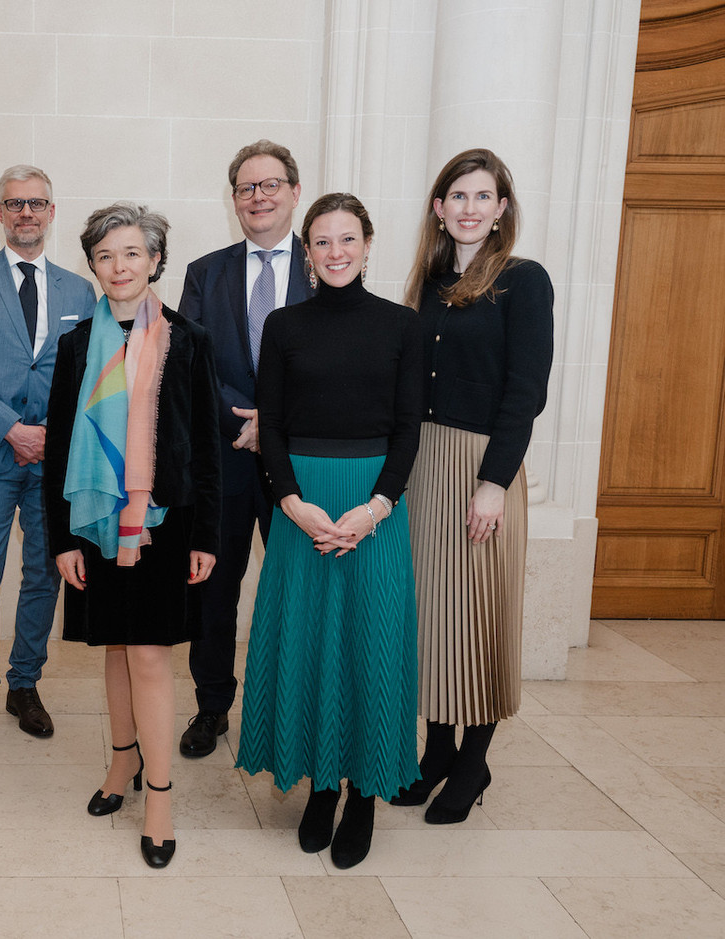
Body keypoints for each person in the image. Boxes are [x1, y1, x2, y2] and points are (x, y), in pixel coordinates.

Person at [234, 193, 422, 869]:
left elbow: (408, 429)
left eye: (348, 239)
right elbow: (272, 425)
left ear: (368, 244)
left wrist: (376, 507)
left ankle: (365, 791)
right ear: (307, 251)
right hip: (303, 508)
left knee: (369, 646)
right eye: (323, 241)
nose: (336, 251)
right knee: (309, 642)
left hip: (373, 508)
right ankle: (320, 784)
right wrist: (290, 501)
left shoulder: (402, 326)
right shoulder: (284, 326)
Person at [44, 202, 222, 869]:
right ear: (92, 265)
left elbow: (206, 446)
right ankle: (119, 767)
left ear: (154, 260)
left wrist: (207, 533)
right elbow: (62, 444)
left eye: (131, 253)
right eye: (105, 256)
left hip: (165, 524)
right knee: (113, 647)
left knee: (148, 654)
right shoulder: (73, 346)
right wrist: (61, 537)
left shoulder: (190, 339)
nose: (118, 267)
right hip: (93, 525)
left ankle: (160, 796)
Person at [391, 149, 553, 823]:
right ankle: (437, 751)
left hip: (484, 465)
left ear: (501, 209)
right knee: (431, 614)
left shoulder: (524, 281)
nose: (468, 208)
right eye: (457, 196)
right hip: (425, 464)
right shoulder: (427, 282)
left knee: (479, 611)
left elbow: (526, 393)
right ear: (438, 208)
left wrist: (493, 483)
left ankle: (474, 759)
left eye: (482, 196)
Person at [0, 165, 96, 768]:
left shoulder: (79, 290)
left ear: (52, 212)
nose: (26, 213)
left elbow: (85, 376)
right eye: (14, 204)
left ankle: (24, 685)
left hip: (53, 461)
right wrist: (9, 427)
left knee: (44, 573)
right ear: (0, 212)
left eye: (36, 204)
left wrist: (48, 436)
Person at [176, 140, 314, 759]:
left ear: (294, 191)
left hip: (304, 460)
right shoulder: (206, 271)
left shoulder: (327, 264)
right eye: (246, 188)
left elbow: (340, 359)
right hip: (227, 456)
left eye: (271, 185)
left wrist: (277, 422)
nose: (259, 197)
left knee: (301, 587)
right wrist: (249, 420)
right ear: (233, 199)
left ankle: (297, 705)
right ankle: (211, 708)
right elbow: (190, 360)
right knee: (214, 588)